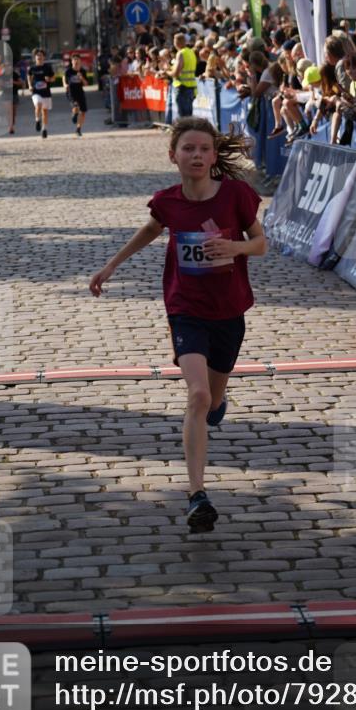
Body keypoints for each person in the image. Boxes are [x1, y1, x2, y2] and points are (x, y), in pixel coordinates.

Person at [89, 117, 267, 533]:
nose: (197, 156)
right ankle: (196, 495)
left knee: (213, 399)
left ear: (213, 154)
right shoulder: (168, 201)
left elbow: (261, 244)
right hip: (185, 308)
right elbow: (153, 228)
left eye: (204, 149)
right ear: (173, 155)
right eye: (188, 149)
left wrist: (234, 246)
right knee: (197, 395)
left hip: (230, 311)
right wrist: (111, 266)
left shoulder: (236, 195)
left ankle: (218, 404)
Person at [28, 48, 55, 139]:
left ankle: (44, 129)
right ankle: (37, 120)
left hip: (46, 92)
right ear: (35, 57)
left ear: (44, 57)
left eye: (41, 55)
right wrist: (30, 86)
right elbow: (29, 77)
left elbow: (53, 78)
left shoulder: (48, 67)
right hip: (36, 91)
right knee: (38, 105)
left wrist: (49, 79)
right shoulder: (32, 68)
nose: (39, 57)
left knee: (45, 112)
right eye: (37, 55)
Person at [170, 33, 197, 119]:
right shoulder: (191, 52)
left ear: (177, 42)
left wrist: (167, 72)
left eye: (174, 41)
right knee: (189, 114)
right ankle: (190, 131)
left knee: (183, 116)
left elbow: (176, 73)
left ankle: (185, 132)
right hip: (191, 87)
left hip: (182, 87)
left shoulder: (180, 53)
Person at [65, 53, 88, 136]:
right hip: (71, 92)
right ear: (72, 61)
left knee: (83, 111)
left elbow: (86, 84)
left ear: (80, 61)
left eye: (77, 59)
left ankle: (78, 129)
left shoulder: (83, 71)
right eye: (74, 59)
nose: (76, 61)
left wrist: (81, 78)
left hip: (80, 92)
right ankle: (74, 114)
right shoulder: (68, 71)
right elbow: (64, 80)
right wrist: (65, 85)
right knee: (76, 106)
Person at [0, 59, 22, 134]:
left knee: (14, 113)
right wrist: (0, 84)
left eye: (8, 65)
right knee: (8, 111)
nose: (7, 67)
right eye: (5, 66)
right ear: (3, 67)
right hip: (5, 94)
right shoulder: (1, 75)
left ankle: (12, 124)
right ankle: (10, 127)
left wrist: (14, 82)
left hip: (14, 94)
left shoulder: (15, 74)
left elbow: (21, 83)